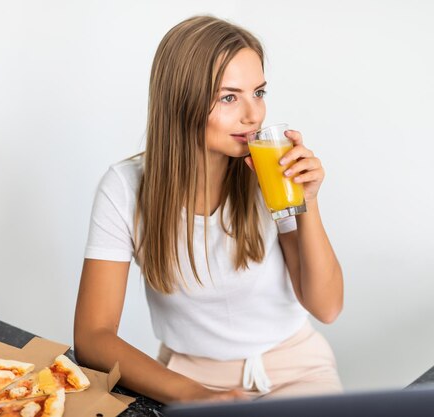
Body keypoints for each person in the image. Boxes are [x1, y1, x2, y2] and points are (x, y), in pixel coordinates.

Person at [74, 15, 344, 404]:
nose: (253, 115)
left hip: (297, 372)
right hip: (187, 377)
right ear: (181, 100)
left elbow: (327, 306)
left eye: (259, 93)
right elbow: (92, 336)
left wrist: (308, 203)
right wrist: (193, 394)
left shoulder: (269, 170)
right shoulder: (125, 187)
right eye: (229, 97)